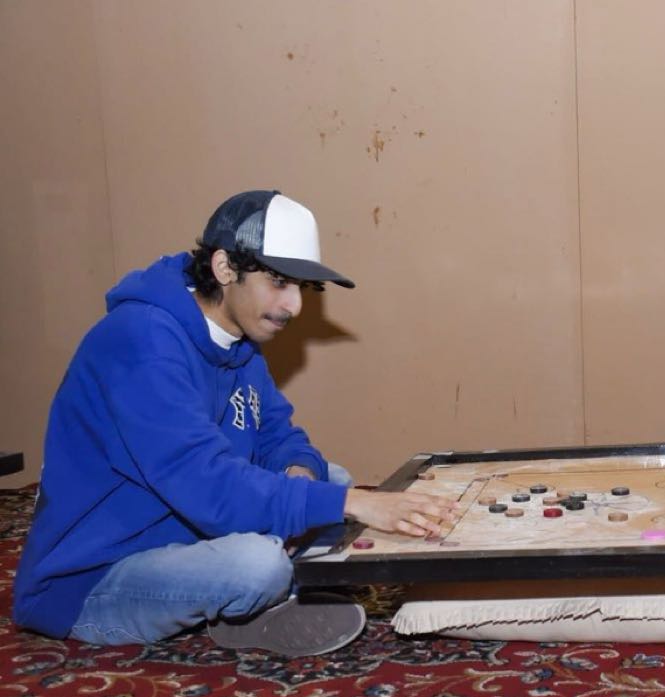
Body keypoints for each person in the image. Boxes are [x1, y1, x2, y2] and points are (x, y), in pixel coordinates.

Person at [13, 190, 456, 657]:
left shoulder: (237, 339)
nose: (294, 305)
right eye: (279, 282)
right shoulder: (140, 341)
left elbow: (278, 434)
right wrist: (350, 503)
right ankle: (253, 605)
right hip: (96, 576)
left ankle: (252, 602)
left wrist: (301, 473)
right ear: (225, 268)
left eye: (302, 288)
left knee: (330, 479)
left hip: (187, 532)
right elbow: (206, 485)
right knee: (260, 563)